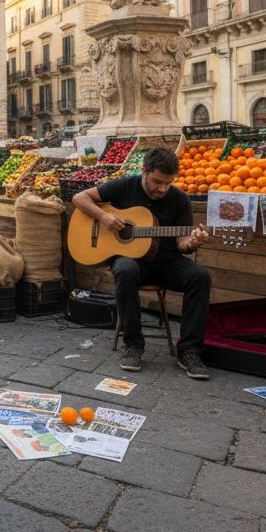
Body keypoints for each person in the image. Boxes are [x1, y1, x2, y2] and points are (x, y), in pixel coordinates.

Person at [70, 147, 212, 379]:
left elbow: (182, 244)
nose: (162, 189)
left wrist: (194, 243)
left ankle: (189, 351)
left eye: (168, 183)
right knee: (124, 270)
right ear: (144, 171)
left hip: (167, 262)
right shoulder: (126, 185)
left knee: (200, 276)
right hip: (133, 262)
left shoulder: (179, 199)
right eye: (157, 181)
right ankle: (133, 343)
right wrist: (103, 216)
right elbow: (79, 198)